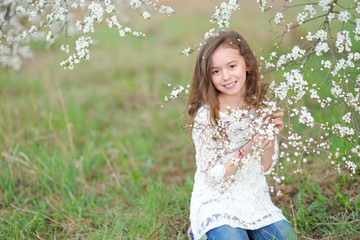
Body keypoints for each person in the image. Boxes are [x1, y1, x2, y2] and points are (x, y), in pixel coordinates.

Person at [186, 30, 297, 240]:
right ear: (207, 76)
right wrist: (244, 151)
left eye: (232, 66)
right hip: (217, 200)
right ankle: (201, 228)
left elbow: (265, 166)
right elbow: (211, 176)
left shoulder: (261, 109)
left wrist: (270, 134)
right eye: (216, 71)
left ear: (247, 64)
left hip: (253, 198)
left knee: (286, 238)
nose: (226, 76)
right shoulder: (207, 116)